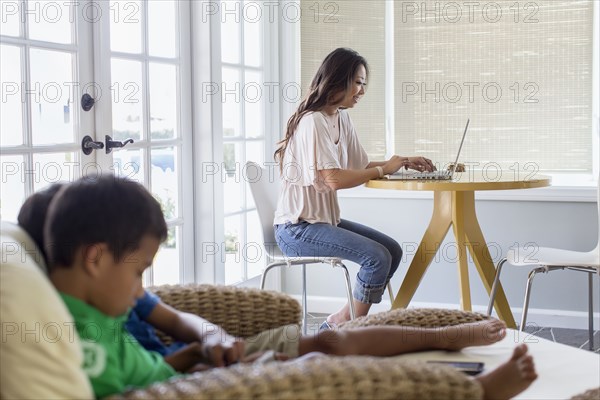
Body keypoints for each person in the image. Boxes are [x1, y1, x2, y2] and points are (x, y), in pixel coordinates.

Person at [36, 176, 536, 399]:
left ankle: (442, 340)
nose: (143, 285)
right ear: (96, 258)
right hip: (196, 383)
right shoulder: (76, 340)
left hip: (201, 360)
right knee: (322, 369)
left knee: (331, 343)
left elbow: (170, 319)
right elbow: (146, 386)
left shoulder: (107, 295)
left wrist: (205, 339)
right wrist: (194, 359)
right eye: (140, 269)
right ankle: (470, 393)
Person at [273, 48, 437, 328]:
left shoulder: (340, 117)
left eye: (364, 84)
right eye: (358, 82)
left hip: (322, 222)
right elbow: (334, 178)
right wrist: (384, 169)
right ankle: (348, 329)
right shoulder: (313, 121)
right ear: (338, 80)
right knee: (376, 257)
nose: (361, 90)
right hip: (296, 229)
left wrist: (403, 161)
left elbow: (360, 165)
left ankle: (339, 321)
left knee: (392, 251)